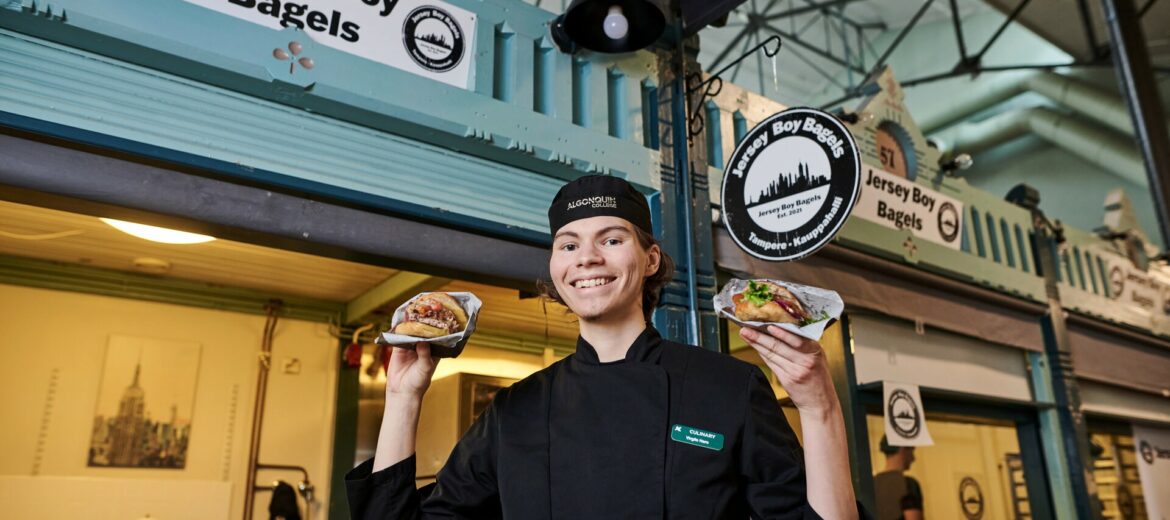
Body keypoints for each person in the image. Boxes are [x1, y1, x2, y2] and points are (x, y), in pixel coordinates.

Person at [346, 175, 865, 519]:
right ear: (555, 268)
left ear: (652, 259)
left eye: (611, 239)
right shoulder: (515, 411)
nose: (586, 258)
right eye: (568, 245)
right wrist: (403, 397)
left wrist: (820, 409)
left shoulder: (726, 387)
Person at [872, 436, 923, 520]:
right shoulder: (908, 484)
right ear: (902, 449)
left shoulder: (872, 483)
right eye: (912, 450)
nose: (913, 458)